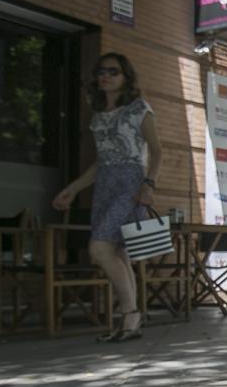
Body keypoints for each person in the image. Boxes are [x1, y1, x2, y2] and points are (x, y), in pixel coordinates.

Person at [52, 53, 161, 342]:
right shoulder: (99, 115)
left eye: (113, 72)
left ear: (126, 77)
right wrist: (74, 188)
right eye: (101, 71)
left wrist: (149, 184)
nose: (106, 76)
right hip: (105, 185)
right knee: (118, 252)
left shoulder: (139, 108)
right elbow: (101, 163)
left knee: (99, 249)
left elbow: (157, 151)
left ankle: (130, 314)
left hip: (131, 183)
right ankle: (130, 324)